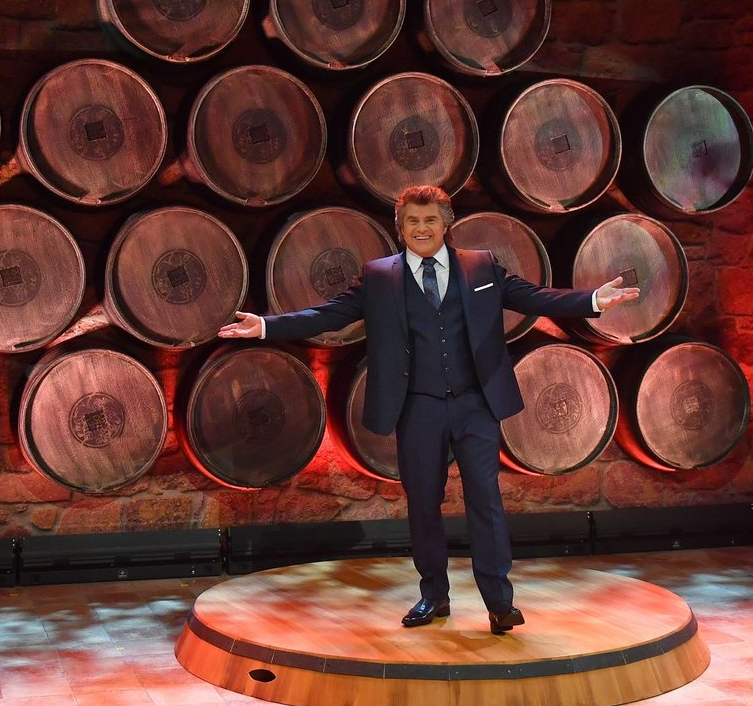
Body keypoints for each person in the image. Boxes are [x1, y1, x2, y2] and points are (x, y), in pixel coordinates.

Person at [219, 184, 639, 633]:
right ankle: (434, 596)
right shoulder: (379, 276)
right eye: (413, 222)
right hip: (418, 407)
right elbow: (329, 314)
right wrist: (266, 325)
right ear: (400, 227)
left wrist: (591, 300)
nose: (421, 228)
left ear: (446, 223)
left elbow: (533, 297)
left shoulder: (480, 265)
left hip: (475, 404)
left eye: (430, 220)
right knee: (423, 504)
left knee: (486, 500)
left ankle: (500, 602)